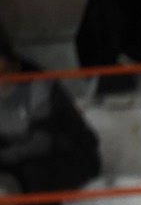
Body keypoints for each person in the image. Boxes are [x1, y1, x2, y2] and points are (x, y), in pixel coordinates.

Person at [0, 38, 103, 194]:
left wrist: (5, 157)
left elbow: (41, 144)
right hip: (23, 156)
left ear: (16, 66)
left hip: (72, 156)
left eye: (4, 73)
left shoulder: (38, 86)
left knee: (33, 170)